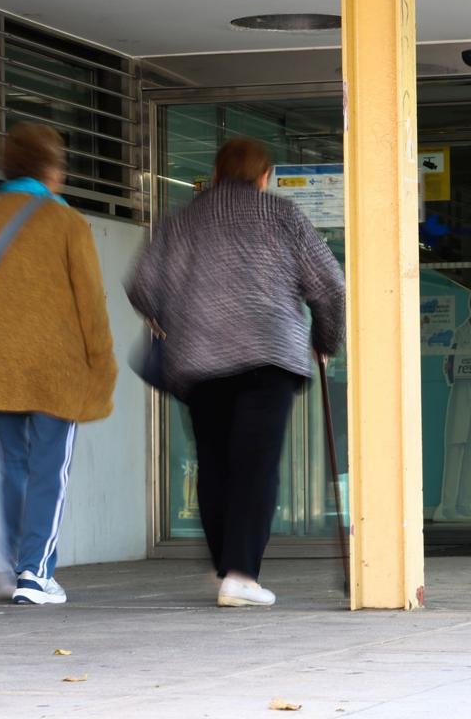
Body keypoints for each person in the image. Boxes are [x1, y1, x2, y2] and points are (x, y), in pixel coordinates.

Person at [127, 137, 345, 607]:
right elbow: (330, 286)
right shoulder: (284, 217)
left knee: (217, 463)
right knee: (256, 464)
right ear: (264, 176)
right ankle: (242, 574)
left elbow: (143, 284)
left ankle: (227, 568)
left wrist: (171, 317)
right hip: (268, 356)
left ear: (218, 173)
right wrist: (324, 341)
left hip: (200, 361)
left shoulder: (183, 220)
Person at [0, 123, 117, 605]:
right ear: (51, 171)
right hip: (57, 369)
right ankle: (35, 573)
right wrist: (100, 367)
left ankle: (16, 564)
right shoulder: (68, 224)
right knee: (50, 468)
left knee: (13, 466)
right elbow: (91, 305)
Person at [434, 286, 471, 522]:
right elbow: (448, 363)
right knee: (456, 449)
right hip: (462, 394)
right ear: (469, 306)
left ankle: (465, 502)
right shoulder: (458, 333)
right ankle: (448, 504)